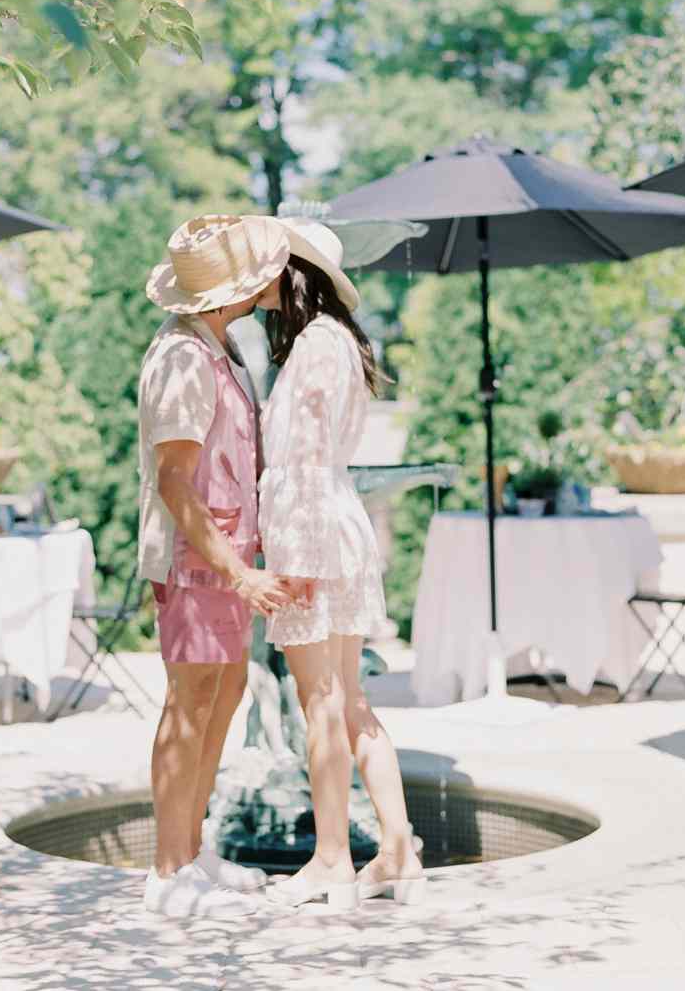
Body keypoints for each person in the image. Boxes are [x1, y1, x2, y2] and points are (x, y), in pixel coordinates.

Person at [137, 213, 309, 918]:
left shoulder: (217, 347)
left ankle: (191, 849)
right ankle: (166, 873)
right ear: (232, 291)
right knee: (190, 703)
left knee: (225, 691)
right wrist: (239, 573)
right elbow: (175, 481)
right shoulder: (184, 358)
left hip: (223, 557)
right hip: (197, 562)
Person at [253, 219, 425, 909]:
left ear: (294, 274)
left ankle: (331, 860)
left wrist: (294, 555)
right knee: (348, 699)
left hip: (313, 530)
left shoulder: (317, 345)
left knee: (321, 700)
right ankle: (398, 850)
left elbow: (305, 452)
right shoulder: (335, 339)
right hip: (332, 522)